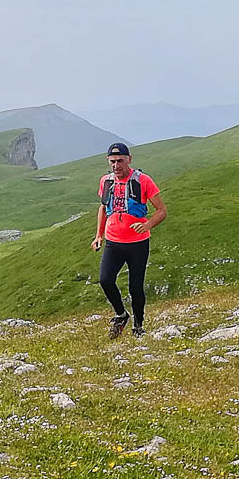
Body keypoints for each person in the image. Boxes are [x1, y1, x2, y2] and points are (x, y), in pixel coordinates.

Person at [91, 142, 167, 338]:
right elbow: (102, 208)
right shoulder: (106, 181)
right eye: (112, 162)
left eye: (120, 161)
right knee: (106, 280)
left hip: (137, 243)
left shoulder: (143, 180)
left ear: (129, 160)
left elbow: (162, 211)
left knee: (135, 286)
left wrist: (148, 225)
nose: (116, 166)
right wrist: (98, 235)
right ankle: (121, 315)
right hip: (113, 241)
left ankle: (138, 325)